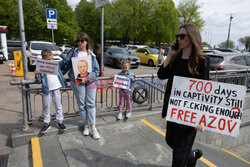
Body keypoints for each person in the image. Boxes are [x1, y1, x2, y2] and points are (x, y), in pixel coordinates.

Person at [157, 24, 210, 167]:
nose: (178, 39)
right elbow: (161, 75)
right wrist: (169, 55)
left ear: (192, 38)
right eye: (177, 36)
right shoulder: (176, 57)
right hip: (174, 110)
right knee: (171, 141)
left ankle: (187, 156)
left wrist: (200, 117)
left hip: (190, 114)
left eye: (182, 36)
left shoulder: (202, 60)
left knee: (179, 155)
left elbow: (205, 90)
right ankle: (191, 155)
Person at [64, 32, 101, 140]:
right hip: (77, 82)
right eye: (78, 41)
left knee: (90, 103)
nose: (80, 43)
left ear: (87, 42)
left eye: (82, 41)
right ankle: (86, 125)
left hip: (90, 82)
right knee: (81, 104)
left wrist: (87, 78)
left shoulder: (92, 55)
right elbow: (65, 65)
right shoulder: (73, 53)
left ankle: (93, 127)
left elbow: (96, 71)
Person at [34, 49, 68, 134]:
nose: (51, 61)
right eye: (48, 59)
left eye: (52, 59)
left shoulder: (56, 64)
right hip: (46, 90)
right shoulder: (41, 67)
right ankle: (47, 123)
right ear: (43, 59)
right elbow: (38, 81)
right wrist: (36, 74)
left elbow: (67, 60)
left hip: (56, 88)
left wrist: (58, 53)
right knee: (46, 107)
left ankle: (60, 122)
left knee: (58, 106)